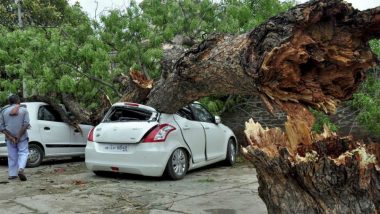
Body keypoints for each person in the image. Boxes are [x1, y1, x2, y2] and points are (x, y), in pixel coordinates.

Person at [0, 95, 30, 181]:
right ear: (18, 101)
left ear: (9, 102)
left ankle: (12, 174)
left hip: (9, 137)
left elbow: (1, 127)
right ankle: (20, 169)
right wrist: (18, 136)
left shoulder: (3, 111)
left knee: (12, 155)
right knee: (23, 152)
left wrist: (10, 137)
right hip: (22, 137)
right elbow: (26, 124)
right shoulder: (24, 110)